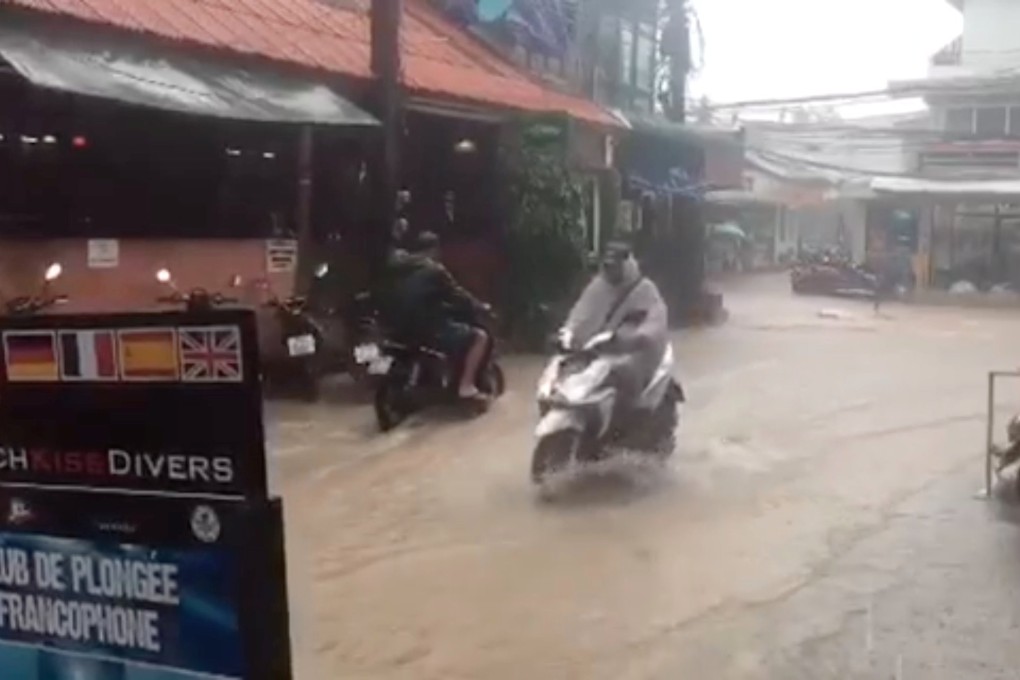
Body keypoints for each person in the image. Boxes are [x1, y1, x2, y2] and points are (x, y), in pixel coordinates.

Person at [380, 232, 492, 400]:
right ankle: (466, 386)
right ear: (434, 250)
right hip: (427, 328)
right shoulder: (434, 270)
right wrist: (481, 306)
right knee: (480, 337)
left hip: (394, 329)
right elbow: (458, 294)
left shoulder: (398, 269)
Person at [560, 242, 669, 405]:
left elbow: (655, 320)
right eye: (608, 266)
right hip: (596, 350)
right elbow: (581, 311)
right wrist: (568, 332)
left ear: (627, 265)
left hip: (631, 353)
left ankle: (629, 422)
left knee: (624, 375)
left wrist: (640, 336)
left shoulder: (645, 290)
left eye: (616, 266)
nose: (612, 271)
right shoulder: (598, 286)